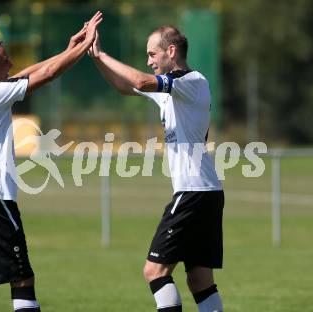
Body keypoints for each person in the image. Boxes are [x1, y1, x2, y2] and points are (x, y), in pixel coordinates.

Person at [0, 11, 102, 312]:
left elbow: (24, 76)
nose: (11, 64)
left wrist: (67, 50)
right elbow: (45, 75)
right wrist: (84, 47)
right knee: (22, 279)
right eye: (5, 60)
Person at [89, 26, 224, 312]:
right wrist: (96, 58)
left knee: (154, 271)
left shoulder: (192, 81)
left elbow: (140, 79)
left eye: (153, 54)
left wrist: (102, 53)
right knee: (200, 280)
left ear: (171, 51)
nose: (149, 60)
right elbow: (126, 85)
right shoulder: (169, 88)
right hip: (204, 193)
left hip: (193, 193)